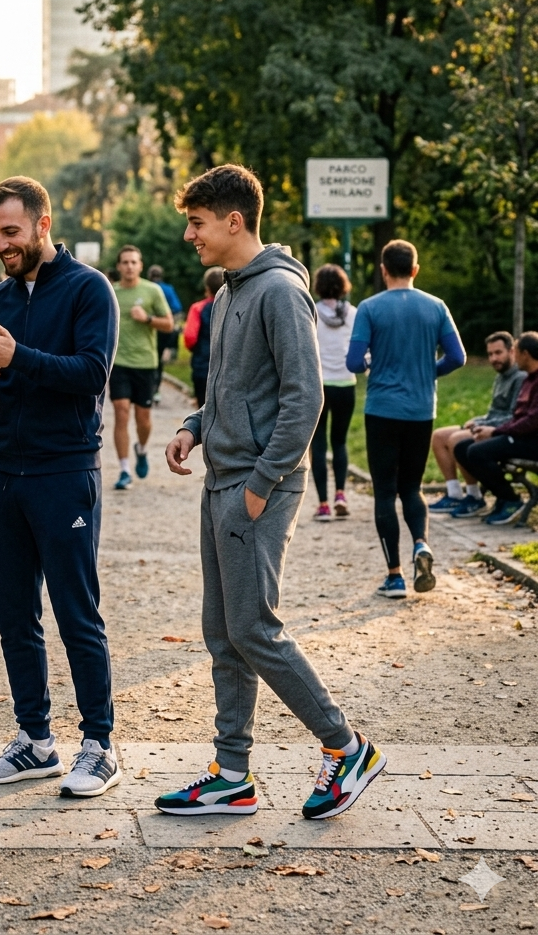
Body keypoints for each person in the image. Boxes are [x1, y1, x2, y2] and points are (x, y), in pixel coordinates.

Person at [159, 164, 385, 822]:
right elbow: (231, 387)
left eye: (197, 223)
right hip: (222, 479)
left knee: (254, 628)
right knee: (223, 633)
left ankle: (346, 747)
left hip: (257, 486)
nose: (190, 235)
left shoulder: (281, 291)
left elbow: (304, 398)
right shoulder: (229, 293)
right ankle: (232, 776)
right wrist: (194, 425)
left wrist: (260, 486)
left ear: (234, 221)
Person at [0, 175, 121, 797]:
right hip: (4, 472)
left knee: (77, 612)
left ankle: (99, 745)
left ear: (42, 224)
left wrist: (15, 358)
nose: (2, 243)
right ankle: (35, 740)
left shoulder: (89, 288)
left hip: (65, 471)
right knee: (14, 614)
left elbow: (90, 374)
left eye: (12, 231)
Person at [346, 239, 466, 597]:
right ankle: (421, 544)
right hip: (420, 410)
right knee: (412, 488)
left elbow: (353, 363)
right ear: (415, 269)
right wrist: (428, 371)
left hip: (382, 409)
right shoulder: (437, 306)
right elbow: (457, 357)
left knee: (385, 491)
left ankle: (395, 576)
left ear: (383, 270)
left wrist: (372, 363)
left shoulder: (369, 308)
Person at [428, 331, 523, 517]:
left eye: (498, 353)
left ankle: (474, 496)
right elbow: (494, 412)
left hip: (502, 431)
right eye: (490, 354)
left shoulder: (519, 378)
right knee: (438, 436)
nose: (493, 358)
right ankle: (454, 494)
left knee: (456, 439)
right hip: (490, 424)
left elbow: (512, 416)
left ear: (511, 351)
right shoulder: (501, 376)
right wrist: (478, 421)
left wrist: (482, 425)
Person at [454, 331, 538, 525]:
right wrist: (488, 429)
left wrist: (495, 432)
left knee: (476, 452)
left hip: (532, 442)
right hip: (520, 437)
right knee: (462, 447)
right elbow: (517, 417)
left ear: (525, 354)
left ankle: (511, 500)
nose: (514, 357)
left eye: (516, 352)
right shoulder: (528, 379)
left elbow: (532, 421)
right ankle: (502, 496)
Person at [109, 245, 174, 490]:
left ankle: (142, 449)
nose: (129, 266)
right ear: (119, 266)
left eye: (133, 262)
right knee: (121, 411)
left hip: (145, 363)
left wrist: (147, 318)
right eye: (125, 262)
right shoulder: (111, 292)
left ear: (140, 265)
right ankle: (124, 469)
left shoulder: (152, 291)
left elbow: (169, 324)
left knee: (143, 418)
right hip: (118, 363)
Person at [310, 264, 358, 521]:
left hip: (318, 385)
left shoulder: (312, 312)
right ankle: (341, 494)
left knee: (318, 443)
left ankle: (324, 505)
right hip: (346, 383)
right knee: (340, 441)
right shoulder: (353, 313)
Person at [182, 267, 225, 407]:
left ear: (207, 288)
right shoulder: (233, 305)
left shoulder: (198, 308)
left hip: (202, 366)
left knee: (203, 408)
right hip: (227, 369)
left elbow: (190, 337)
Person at [147, 264, 183, 402]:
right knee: (159, 359)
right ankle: (156, 389)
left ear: (150, 276)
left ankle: (148, 388)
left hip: (148, 329)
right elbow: (177, 307)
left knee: (149, 359)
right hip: (163, 329)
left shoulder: (147, 289)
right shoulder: (168, 289)